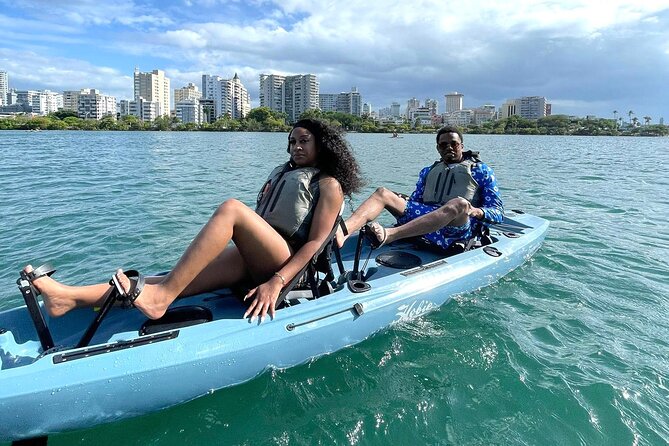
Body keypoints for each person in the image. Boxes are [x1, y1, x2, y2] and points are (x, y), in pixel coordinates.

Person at [24, 119, 363, 323]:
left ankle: (160, 301)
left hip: (285, 262)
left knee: (231, 208)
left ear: (322, 144)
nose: (296, 147)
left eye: (304, 141)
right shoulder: (287, 174)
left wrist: (276, 282)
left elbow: (316, 243)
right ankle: (67, 298)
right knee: (170, 277)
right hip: (258, 254)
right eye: (292, 141)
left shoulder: (328, 183)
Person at [337, 125, 503, 251]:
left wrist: (476, 211)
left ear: (462, 145)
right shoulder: (428, 171)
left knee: (459, 203)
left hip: (455, 230)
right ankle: (341, 233)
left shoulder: (481, 171)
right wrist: (399, 200)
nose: (449, 148)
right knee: (383, 193)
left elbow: (498, 213)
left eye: (454, 144)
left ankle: (390, 235)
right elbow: (415, 202)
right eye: (443, 145)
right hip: (426, 220)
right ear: (438, 148)